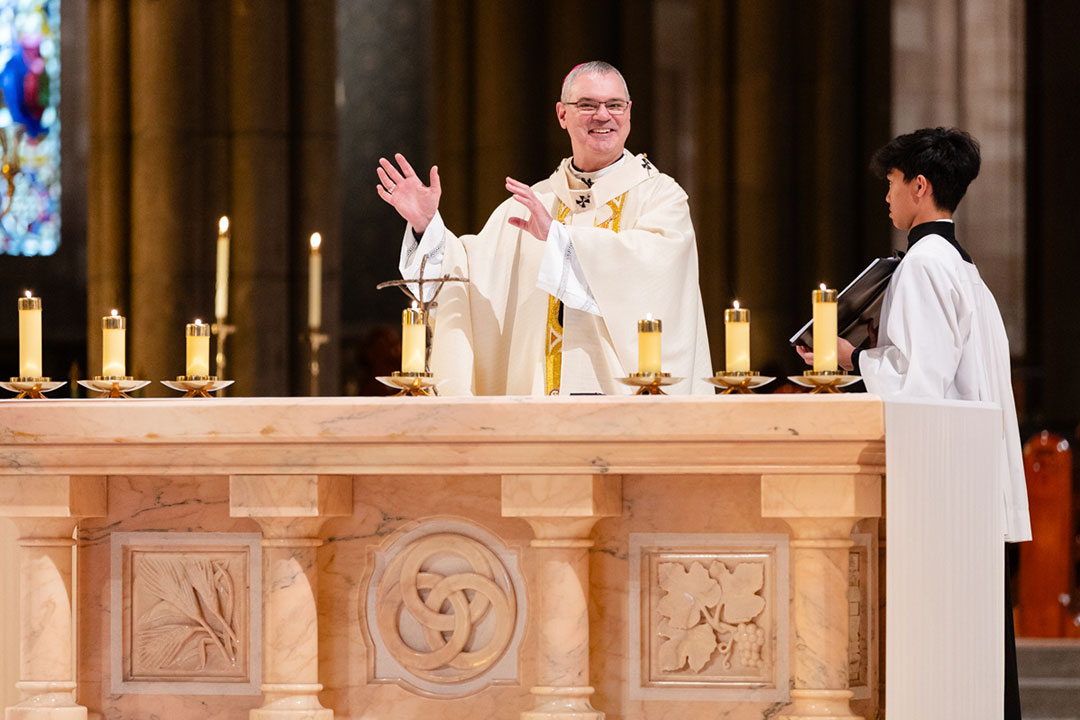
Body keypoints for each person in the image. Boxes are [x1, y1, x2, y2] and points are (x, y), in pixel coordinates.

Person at [798, 127, 1031, 719]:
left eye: (893, 184)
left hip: (947, 487)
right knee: (981, 658)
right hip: (973, 480)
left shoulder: (924, 265)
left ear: (920, 186)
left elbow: (918, 388)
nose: (887, 198)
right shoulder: (957, 262)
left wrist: (852, 360)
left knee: (949, 658)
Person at [376, 61, 712, 396]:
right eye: (587, 105)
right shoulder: (532, 203)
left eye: (614, 105)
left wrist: (560, 238)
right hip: (539, 409)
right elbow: (466, 278)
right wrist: (426, 226)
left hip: (629, 415)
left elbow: (658, 274)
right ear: (562, 115)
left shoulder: (660, 196)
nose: (603, 116)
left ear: (629, 112)